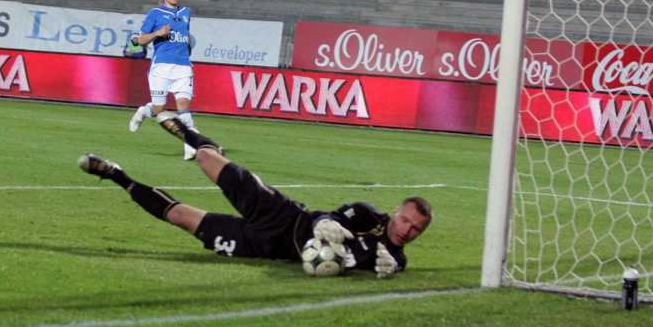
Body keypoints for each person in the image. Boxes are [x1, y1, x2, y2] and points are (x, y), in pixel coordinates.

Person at [78, 113, 432, 277]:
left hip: (263, 247)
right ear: (396, 210)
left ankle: (115, 174)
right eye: (405, 220)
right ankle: (188, 131)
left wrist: (393, 268)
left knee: (178, 216)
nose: (406, 230)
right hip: (282, 214)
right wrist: (324, 223)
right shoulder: (368, 214)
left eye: (415, 230)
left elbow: (394, 262)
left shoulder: (392, 257)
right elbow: (335, 218)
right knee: (205, 158)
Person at [126, 0, 203, 160]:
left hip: (183, 66)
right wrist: (158, 33)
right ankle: (143, 111)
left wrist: (187, 46)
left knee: (183, 106)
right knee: (159, 110)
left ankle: (190, 147)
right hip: (161, 67)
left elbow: (185, 34)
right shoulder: (155, 13)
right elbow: (141, 40)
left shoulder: (186, 12)